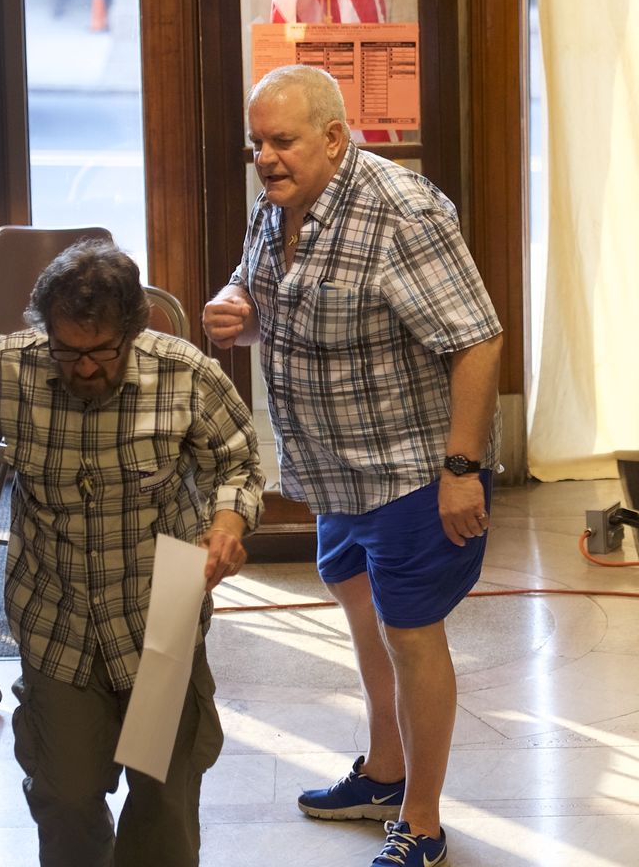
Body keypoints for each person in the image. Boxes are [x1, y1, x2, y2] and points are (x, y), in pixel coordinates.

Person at [0, 239, 262, 867]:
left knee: (162, 796)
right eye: (66, 350)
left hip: (161, 607)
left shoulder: (183, 373)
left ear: (132, 330)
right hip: (55, 609)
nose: (83, 368)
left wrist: (226, 524)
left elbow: (237, 460)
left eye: (101, 351)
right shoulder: (9, 370)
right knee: (67, 796)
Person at [203, 64, 504, 867]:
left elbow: (479, 339)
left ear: (335, 138)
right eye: (256, 143)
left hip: (409, 471)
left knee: (411, 636)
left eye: (282, 141)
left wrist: (462, 468)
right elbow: (263, 290)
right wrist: (237, 308)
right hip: (331, 470)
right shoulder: (280, 200)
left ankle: (423, 821)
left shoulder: (403, 213)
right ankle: (383, 773)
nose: (265, 158)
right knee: (366, 620)